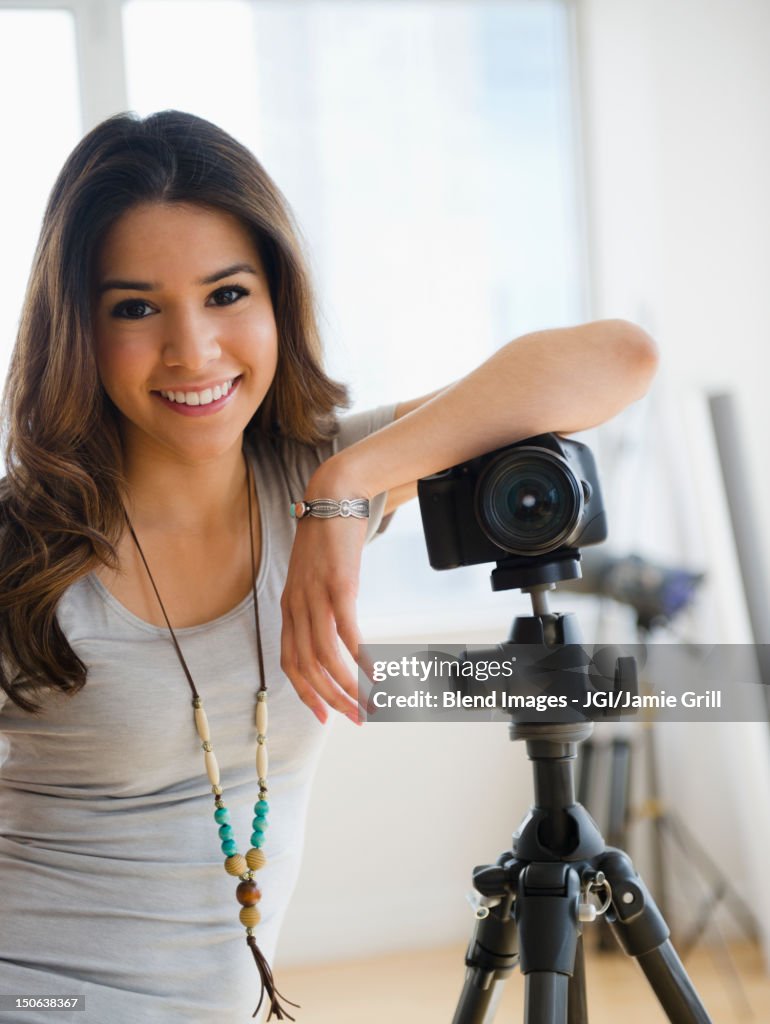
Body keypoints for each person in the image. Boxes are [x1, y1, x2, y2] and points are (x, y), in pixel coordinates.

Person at [0, 110, 658, 1023]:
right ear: (78, 326)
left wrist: (350, 484)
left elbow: (620, 358)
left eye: (226, 294)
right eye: (136, 308)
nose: (193, 350)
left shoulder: (310, 481)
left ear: (277, 299)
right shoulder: (21, 549)